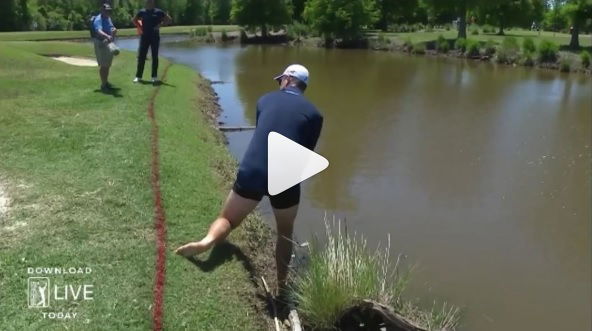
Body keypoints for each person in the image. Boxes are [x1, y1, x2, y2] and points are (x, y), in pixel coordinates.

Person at [176, 64, 323, 293]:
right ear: (302, 86)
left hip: (254, 168)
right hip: (286, 174)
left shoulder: (264, 100)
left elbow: (262, 132)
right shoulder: (315, 115)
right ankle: (282, 287)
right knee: (285, 231)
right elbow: (305, 152)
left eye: (280, 80)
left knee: (228, 219)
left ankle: (206, 242)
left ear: (286, 80)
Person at [132, 0, 171, 83]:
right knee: (141, 56)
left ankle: (154, 77)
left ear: (153, 2)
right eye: (148, 1)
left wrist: (160, 25)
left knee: (154, 56)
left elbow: (168, 20)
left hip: (155, 37)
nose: (149, 2)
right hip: (144, 37)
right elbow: (134, 20)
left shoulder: (158, 12)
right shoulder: (142, 12)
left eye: (151, 1)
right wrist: (140, 27)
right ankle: (138, 76)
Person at [92, 3, 117, 91]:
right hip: (100, 43)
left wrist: (114, 30)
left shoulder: (108, 18)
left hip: (108, 42)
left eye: (109, 10)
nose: (108, 12)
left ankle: (106, 82)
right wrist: (107, 36)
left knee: (107, 64)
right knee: (103, 65)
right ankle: (103, 85)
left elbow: (111, 27)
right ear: (102, 10)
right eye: (106, 10)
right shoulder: (98, 19)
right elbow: (98, 30)